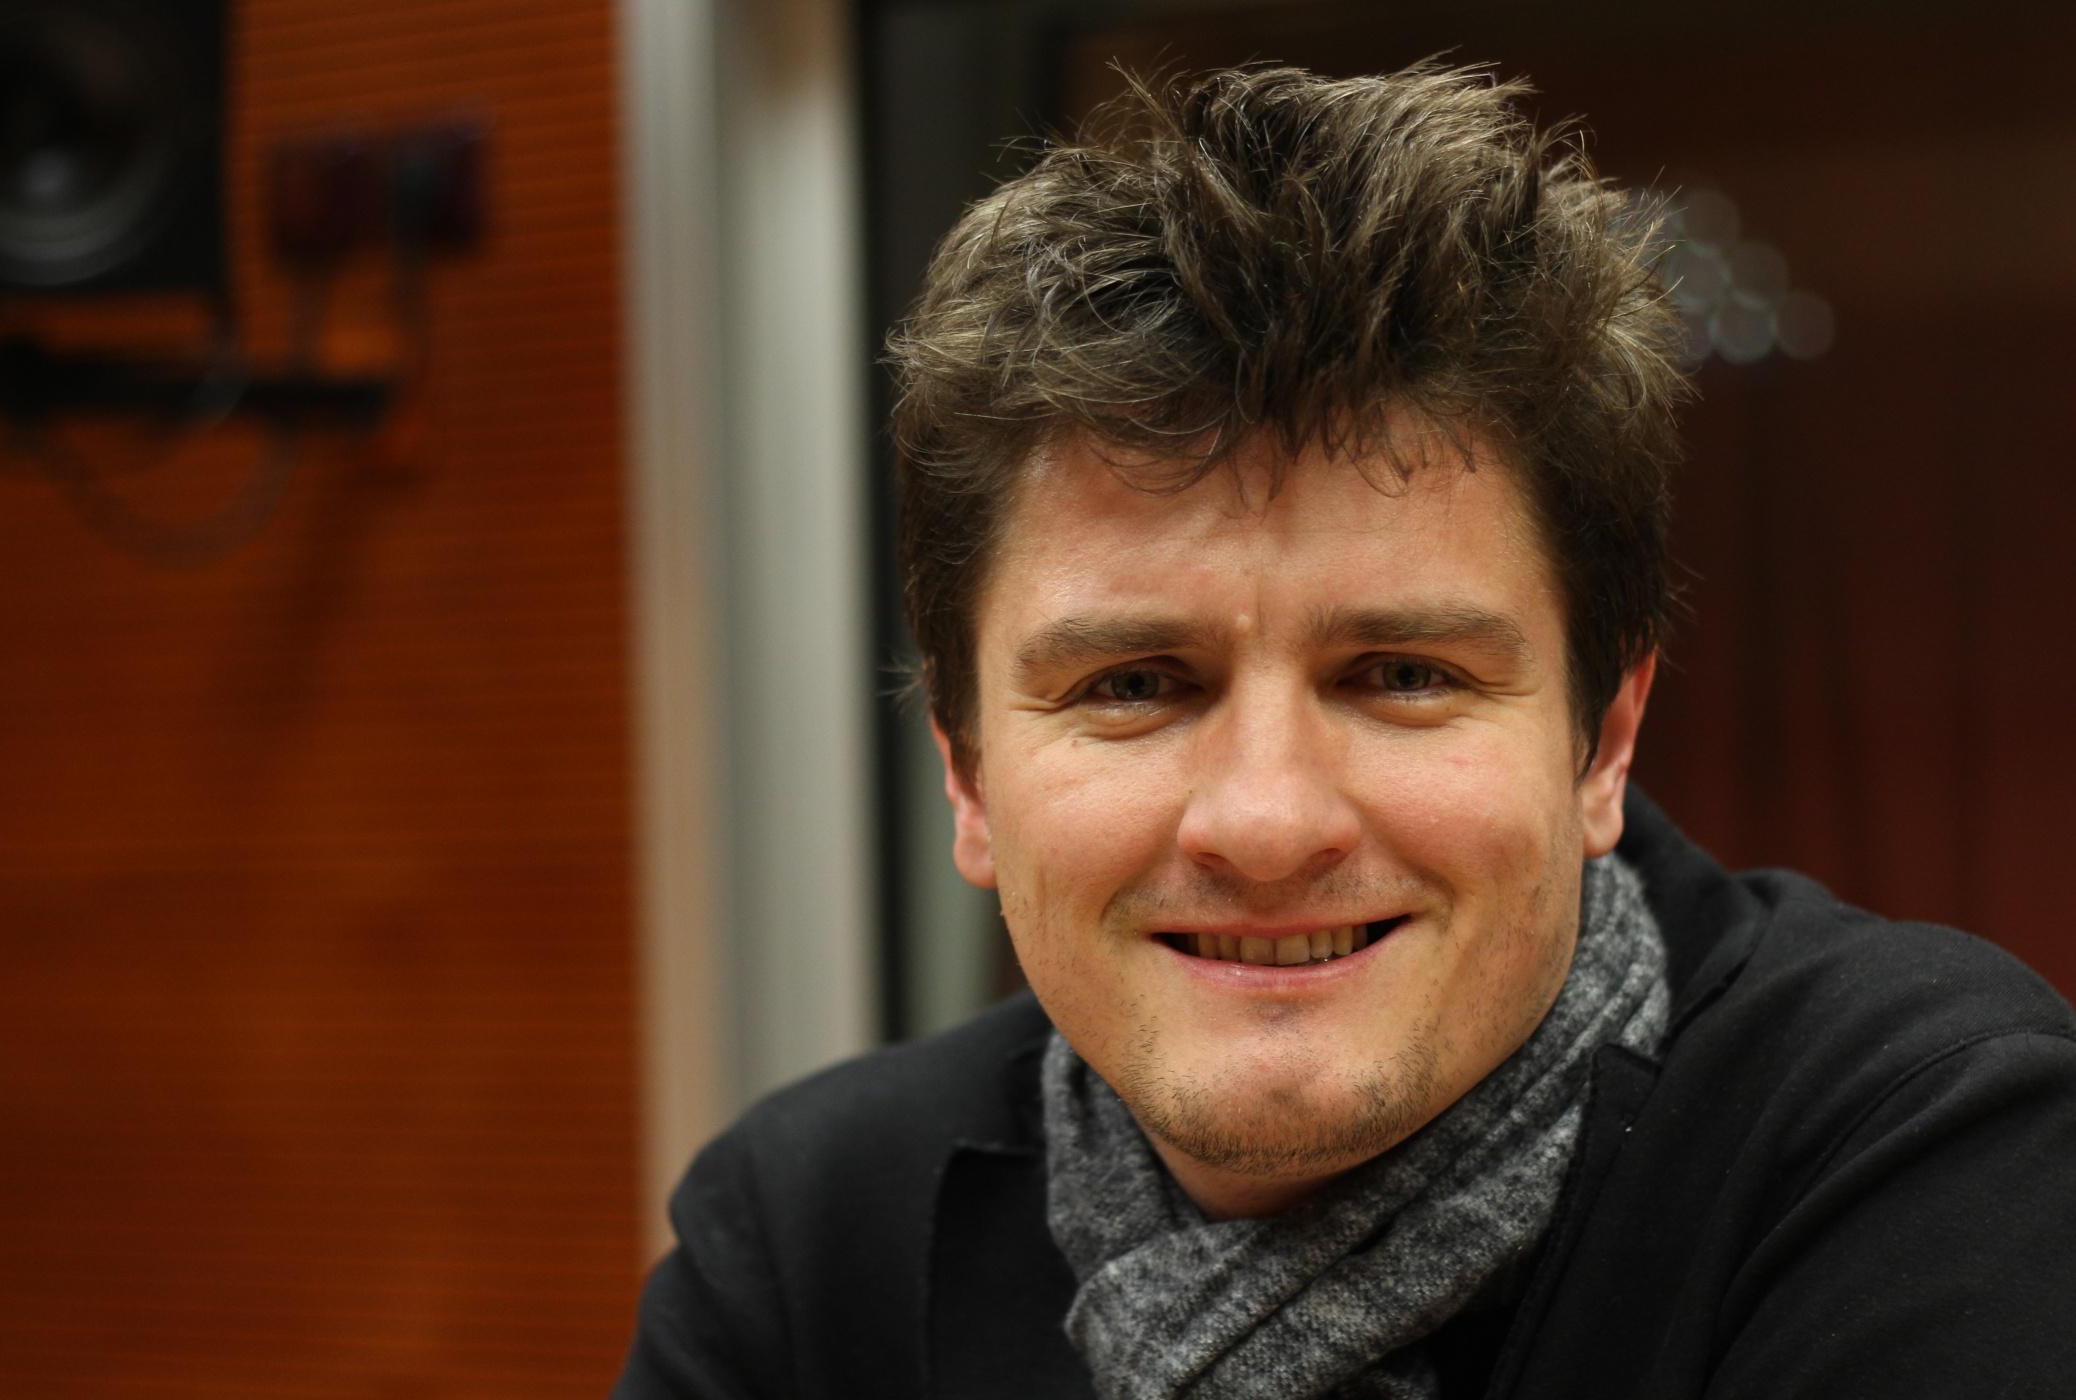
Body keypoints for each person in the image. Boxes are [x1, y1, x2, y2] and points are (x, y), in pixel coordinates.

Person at [614, 65, 2076, 1399]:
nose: (1265, 823)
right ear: (968, 775)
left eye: (1401, 674)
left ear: (1604, 742)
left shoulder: (1919, 1154)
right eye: (1134, 686)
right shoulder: (805, 1246)